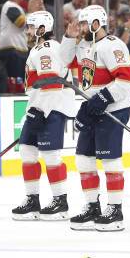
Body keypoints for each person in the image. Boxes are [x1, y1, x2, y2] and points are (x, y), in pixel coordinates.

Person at [61, 5, 130, 231]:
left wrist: (103, 98)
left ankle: (115, 209)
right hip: (92, 109)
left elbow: (127, 80)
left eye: (83, 24)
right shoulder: (82, 45)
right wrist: (68, 38)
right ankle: (93, 206)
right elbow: (60, 63)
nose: (81, 27)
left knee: (110, 159)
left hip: (113, 109)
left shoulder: (113, 45)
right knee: (83, 159)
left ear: (96, 24)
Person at [11, 11, 76, 221]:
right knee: (28, 152)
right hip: (39, 108)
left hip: (52, 108)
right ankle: (33, 200)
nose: (27, 31)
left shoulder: (48, 49)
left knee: (51, 155)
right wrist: (35, 110)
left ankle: (60, 201)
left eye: (30, 27)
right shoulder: (37, 50)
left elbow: (51, 82)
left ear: (41, 29)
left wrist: (41, 111)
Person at [0, 0, 28, 80]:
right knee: (15, 81)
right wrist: (33, 15)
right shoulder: (10, 6)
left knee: (19, 80)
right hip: (12, 48)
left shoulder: (16, 7)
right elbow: (20, 23)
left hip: (17, 47)